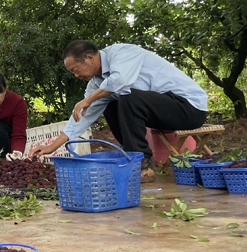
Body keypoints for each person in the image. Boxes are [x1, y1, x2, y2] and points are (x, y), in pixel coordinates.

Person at [30, 40, 208, 182]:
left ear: (90, 58)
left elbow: (120, 81)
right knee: (110, 103)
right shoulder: (97, 83)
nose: (76, 76)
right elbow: (81, 118)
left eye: (76, 70)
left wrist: (88, 99)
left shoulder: (122, 53)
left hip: (189, 108)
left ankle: (143, 164)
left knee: (126, 96)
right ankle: (132, 158)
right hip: (163, 112)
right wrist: (51, 147)